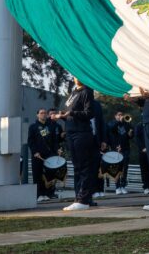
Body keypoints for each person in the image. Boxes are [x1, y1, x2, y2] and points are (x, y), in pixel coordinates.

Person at [52, 77, 94, 211]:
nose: (77, 78)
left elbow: (89, 113)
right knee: (77, 167)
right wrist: (62, 116)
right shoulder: (73, 93)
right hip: (71, 132)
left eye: (79, 75)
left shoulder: (87, 91)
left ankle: (84, 199)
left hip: (81, 133)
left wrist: (72, 113)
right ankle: (78, 197)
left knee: (84, 166)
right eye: (74, 75)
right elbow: (69, 114)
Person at [28, 108, 60, 201]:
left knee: (49, 175)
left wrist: (57, 149)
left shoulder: (50, 126)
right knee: (37, 174)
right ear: (37, 115)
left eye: (45, 113)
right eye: (41, 113)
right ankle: (39, 194)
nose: (43, 114)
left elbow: (54, 140)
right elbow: (31, 141)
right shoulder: (33, 127)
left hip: (49, 154)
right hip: (38, 155)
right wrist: (35, 152)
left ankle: (47, 193)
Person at [107, 110, 134, 194]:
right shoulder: (112, 123)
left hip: (125, 148)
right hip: (116, 149)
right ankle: (117, 187)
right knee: (117, 168)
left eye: (122, 114)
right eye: (119, 115)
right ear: (115, 116)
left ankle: (123, 186)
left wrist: (131, 133)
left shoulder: (126, 124)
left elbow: (130, 136)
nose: (121, 116)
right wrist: (118, 121)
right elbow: (111, 129)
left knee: (124, 168)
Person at [90, 99, 107, 198]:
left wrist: (103, 140)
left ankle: (99, 189)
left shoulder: (96, 104)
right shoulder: (79, 101)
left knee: (98, 166)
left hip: (97, 140)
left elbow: (102, 124)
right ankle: (92, 190)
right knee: (88, 167)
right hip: (84, 140)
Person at [134, 121, 149, 194]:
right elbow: (137, 138)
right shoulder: (139, 125)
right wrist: (142, 147)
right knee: (144, 169)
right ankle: (146, 187)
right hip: (142, 151)